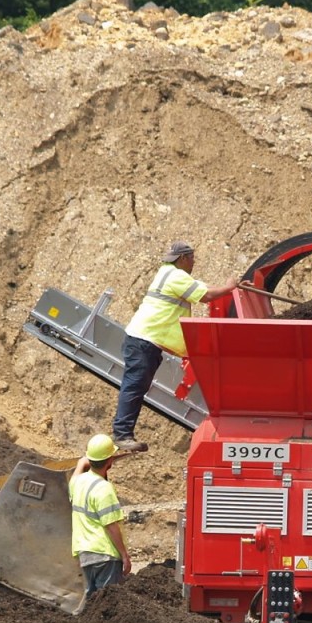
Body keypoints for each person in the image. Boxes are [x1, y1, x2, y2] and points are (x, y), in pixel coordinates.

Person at [112, 241, 238, 451]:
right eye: (192, 259)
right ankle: (122, 434)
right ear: (183, 258)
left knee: (136, 387)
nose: (194, 263)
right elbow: (206, 296)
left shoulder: (169, 273)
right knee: (133, 387)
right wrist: (229, 288)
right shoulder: (176, 276)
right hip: (144, 340)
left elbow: (203, 287)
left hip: (145, 340)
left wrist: (230, 287)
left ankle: (123, 433)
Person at [69, 433, 132, 598]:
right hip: (105, 555)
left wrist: (80, 464)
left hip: (85, 554)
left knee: (92, 604)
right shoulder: (103, 488)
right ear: (110, 461)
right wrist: (124, 555)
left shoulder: (77, 483)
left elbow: (75, 476)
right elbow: (111, 526)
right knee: (108, 602)